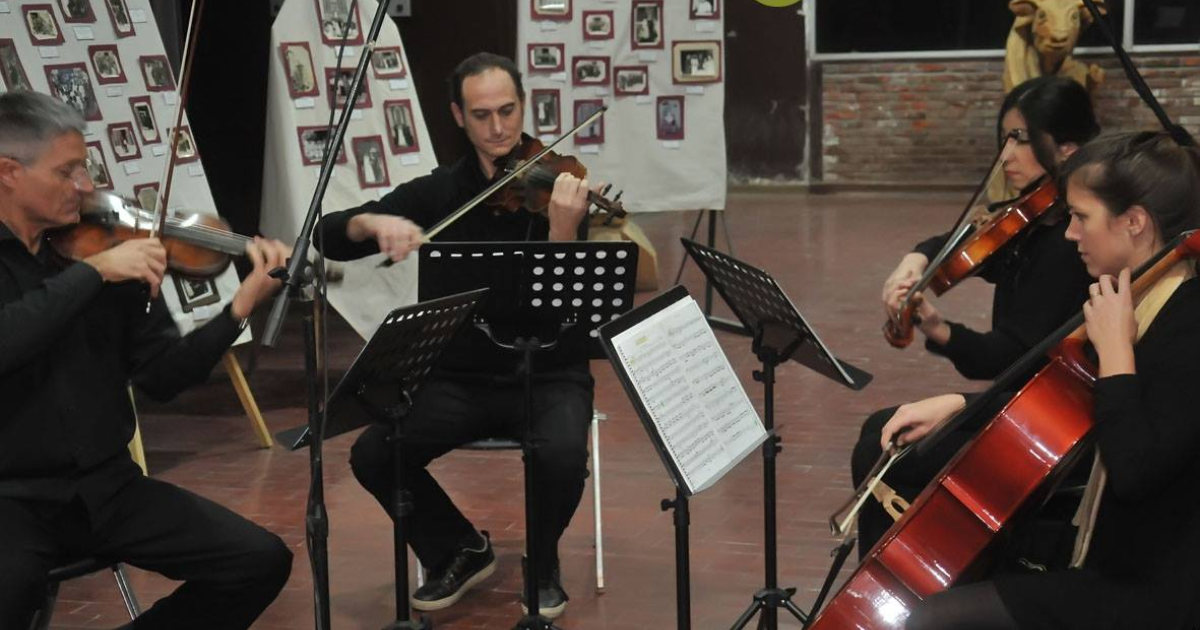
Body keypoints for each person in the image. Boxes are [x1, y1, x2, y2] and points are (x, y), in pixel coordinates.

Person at [314, 52, 598, 619]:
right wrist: (372, 222)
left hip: (547, 374)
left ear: (524, 106)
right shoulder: (440, 192)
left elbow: (568, 308)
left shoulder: (559, 187)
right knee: (375, 454)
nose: (498, 129)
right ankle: (457, 549)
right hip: (461, 377)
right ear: (458, 117)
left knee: (564, 452)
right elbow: (329, 236)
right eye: (482, 115)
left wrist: (564, 233)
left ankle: (543, 562)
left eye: (508, 111)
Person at [0, 91, 294, 628]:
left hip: (106, 489)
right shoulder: (99, 266)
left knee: (258, 561)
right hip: (11, 499)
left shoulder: (104, 251)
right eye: (66, 171)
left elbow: (162, 377)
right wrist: (93, 274)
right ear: (8, 173)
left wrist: (240, 307)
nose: (84, 186)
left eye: (84, 168)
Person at [898, 131, 1200, 630]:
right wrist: (963, 406)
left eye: (1081, 217)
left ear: (1134, 221)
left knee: (935, 620)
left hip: (1154, 587)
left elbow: (1134, 471)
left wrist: (1117, 353)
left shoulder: (1186, 321)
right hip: (1113, 551)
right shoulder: (1136, 295)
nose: (1069, 234)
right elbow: (1066, 400)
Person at [851, 77, 1100, 558]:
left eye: (1020, 140)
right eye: (1003, 140)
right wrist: (915, 261)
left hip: (1050, 425)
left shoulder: (1068, 245)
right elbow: (955, 243)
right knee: (879, 434)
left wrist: (945, 335)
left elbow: (1011, 359)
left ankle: (910, 576)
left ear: (1067, 149)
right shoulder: (1032, 221)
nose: (1006, 156)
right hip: (1025, 403)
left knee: (885, 449)